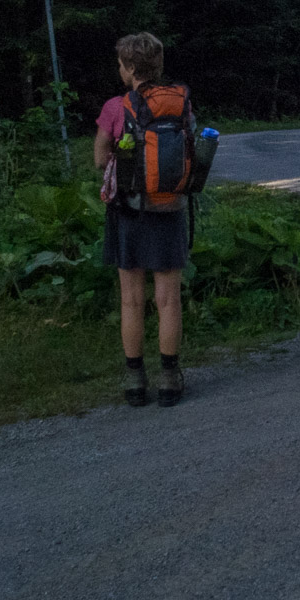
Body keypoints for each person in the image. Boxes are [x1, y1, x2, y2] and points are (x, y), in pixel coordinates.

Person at [93, 32, 188, 407]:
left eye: (120, 65)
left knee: (131, 300)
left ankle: (135, 380)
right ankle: (169, 377)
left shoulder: (116, 107)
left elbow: (101, 160)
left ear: (131, 68)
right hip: (169, 208)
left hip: (128, 210)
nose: (119, 70)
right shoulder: (178, 103)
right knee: (168, 299)